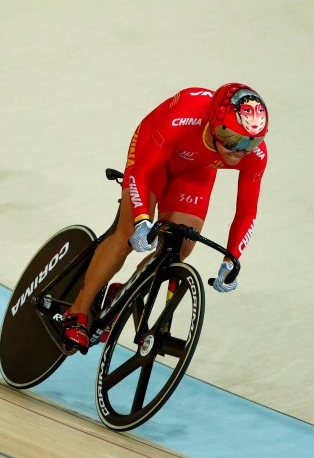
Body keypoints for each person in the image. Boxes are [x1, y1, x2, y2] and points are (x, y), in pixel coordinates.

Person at [62, 83, 269, 353]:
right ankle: (77, 312)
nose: (240, 150)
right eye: (232, 138)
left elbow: (247, 211)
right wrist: (141, 220)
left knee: (181, 247)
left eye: (250, 141)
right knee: (128, 235)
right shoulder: (185, 117)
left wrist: (231, 259)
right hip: (155, 150)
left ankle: (126, 292)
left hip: (195, 169)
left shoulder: (255, 156)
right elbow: (142, 171)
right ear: (214, 124)